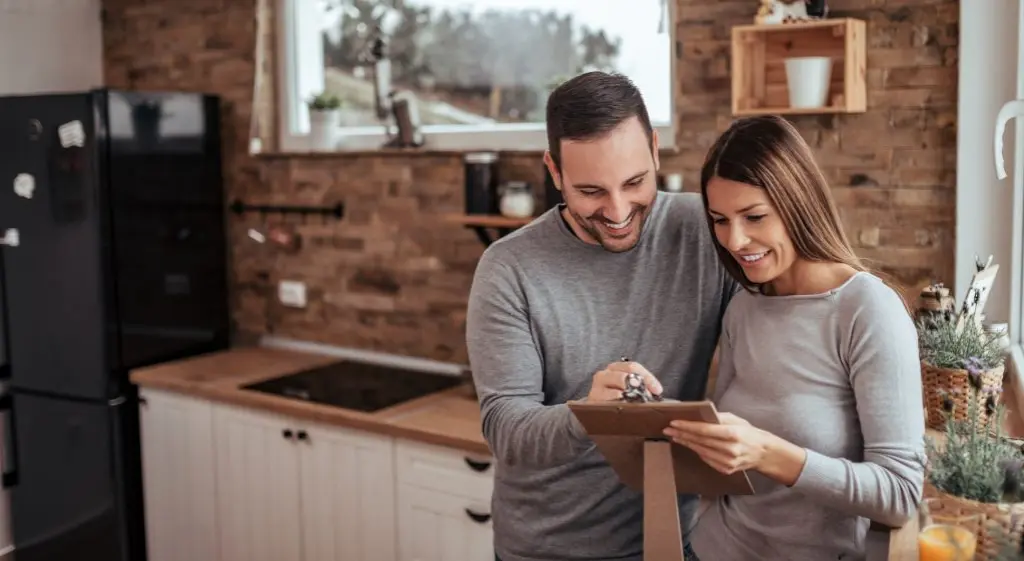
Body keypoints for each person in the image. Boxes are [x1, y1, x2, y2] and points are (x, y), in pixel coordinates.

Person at [465, 71, 737, 561]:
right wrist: (587, 416)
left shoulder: (705, 232)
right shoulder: (508, 268)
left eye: (634, 182)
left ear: (655, 150)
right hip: (546, 549)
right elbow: (505, 427)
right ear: (554, 171)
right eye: (591, 190)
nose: (617, 210)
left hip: (674, 541)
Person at [664, 115, 927, 561]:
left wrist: (772, 454)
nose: (735, 239)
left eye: (754, 217)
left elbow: (900, 493)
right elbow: (729, 462)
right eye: (720, 220)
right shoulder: (743, 308)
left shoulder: (866, 309)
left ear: (798, 202)